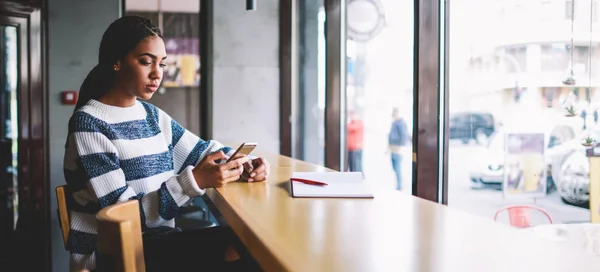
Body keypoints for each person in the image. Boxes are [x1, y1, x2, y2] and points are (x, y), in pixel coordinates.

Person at [63, 16, 270, 271]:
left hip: (159, 244)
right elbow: (124, 219)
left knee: (251, 243)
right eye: (146, 61)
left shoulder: (151, 116)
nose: (157, 73)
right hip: (117, 255)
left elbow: (203, 151)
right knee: (251, 252)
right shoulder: (89, 123)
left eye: (161, 63)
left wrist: (244, 163)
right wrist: (195, 181)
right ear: (116, 61)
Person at [388, 108, 408, 191]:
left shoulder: (401, 123)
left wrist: (400, 147)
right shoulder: (394, 123)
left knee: (397, 166)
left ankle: (400, 186)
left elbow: (404, 136)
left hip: (397, 148)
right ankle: (398, 185)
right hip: (393, 148)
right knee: (395, 167)